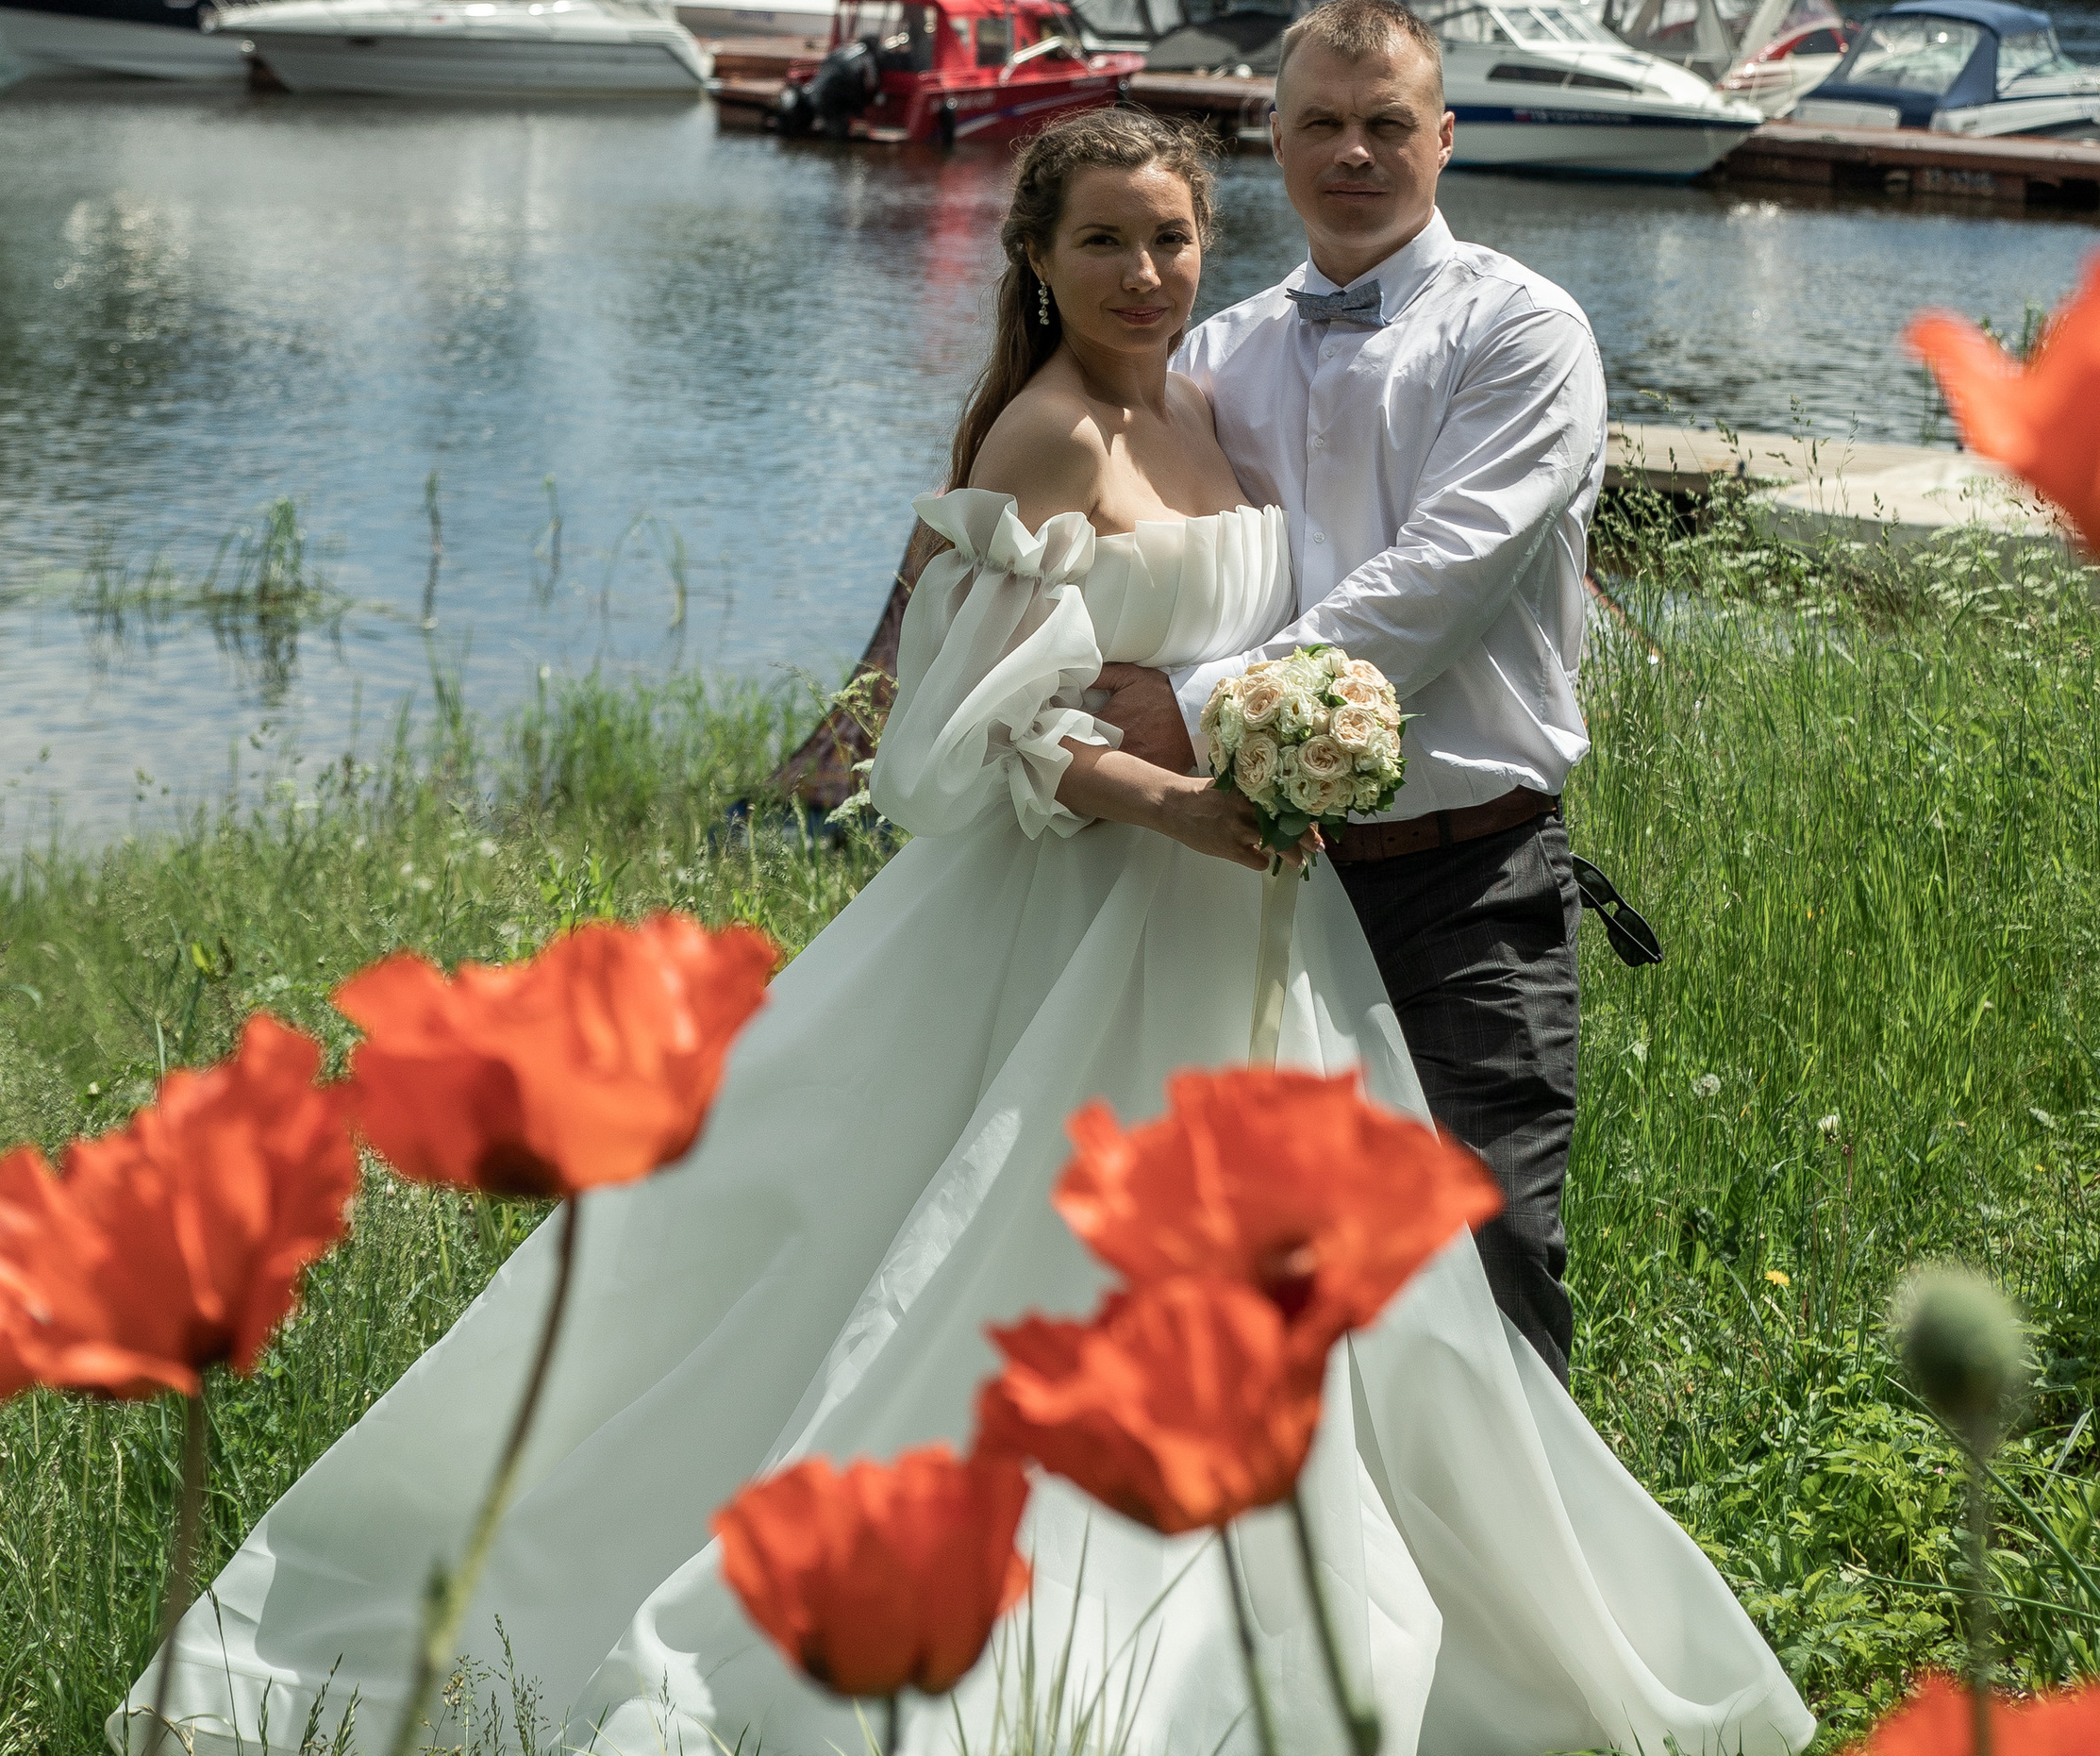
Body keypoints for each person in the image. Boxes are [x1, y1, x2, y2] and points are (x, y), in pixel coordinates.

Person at [129, 108, 1808, 1756]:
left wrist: (1275, 758)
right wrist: (1189, 804)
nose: (1145, 270)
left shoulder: (1220, 396)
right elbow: (959, 732)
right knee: (1001, 1260)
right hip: (1085, 914)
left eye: (1169, 236)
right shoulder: (1050, 437)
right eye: (1103, 242)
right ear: (1035, 261)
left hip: (1252, 939)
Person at [1096, 0, 1606, 1380]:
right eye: (1321, 122)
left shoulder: (1526, 331)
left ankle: (1520, 1592)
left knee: (1488, 1280)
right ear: (1272, 140)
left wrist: (1194, 710)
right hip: (1255, 885)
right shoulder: (1211, 357)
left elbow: (1445, 578)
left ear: (1445, 140)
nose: (1355, 152)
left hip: (1467, 892)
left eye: (1388, 125)